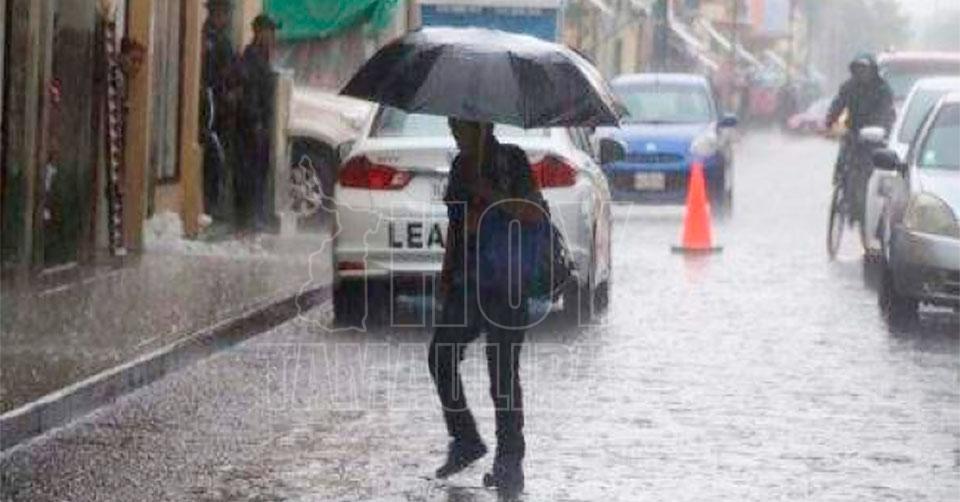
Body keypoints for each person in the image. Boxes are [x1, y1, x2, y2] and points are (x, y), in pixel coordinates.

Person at [429, 118, 546, 496]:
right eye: (451, 123)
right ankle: (465, 438)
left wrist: (492, 196)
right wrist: (446, 273)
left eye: (460, 124)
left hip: (507, 284)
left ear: (482, 125)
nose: (453, 128)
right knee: (440, 355)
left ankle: (509, 461)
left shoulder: (512, 161)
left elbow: (534, 214)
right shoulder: (461, 166)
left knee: (503, 375)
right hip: (467, 283)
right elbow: (455, 225)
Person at [825, 54, 895, 223]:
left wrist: (881, 129)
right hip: (853, 131)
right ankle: (842, 186)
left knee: (871, 166)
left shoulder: (882, 89)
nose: (862, 73)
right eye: (858, 69)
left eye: (865, 69)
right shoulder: (849, 87)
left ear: (872, 71)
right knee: (845, 158)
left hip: (874, 134)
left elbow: (886, 112)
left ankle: (868, 200)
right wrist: (830, 121)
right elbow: (838, 105)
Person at [237, 14, 280, 232]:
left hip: (261, 124)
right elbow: (250, 93)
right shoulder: (252, 58)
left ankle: (256, 217)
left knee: (260, 171)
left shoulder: (262, 57)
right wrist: (256, 123)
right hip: (252, 126)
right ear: (260, 32)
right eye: (270, 32)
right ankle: (248, 219)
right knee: (251, 172)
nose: (273, 37)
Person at [200, 0, 240, 222]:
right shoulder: (209, 39)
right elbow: (214, 75)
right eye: (223, 12)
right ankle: (210, 206)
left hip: (222, 110)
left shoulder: (222, 38)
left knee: (221, 158)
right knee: (214, 157)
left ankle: (215, 204)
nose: (226, 17)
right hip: (213, 109)